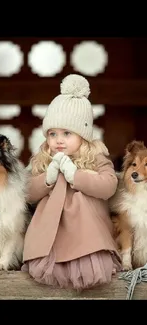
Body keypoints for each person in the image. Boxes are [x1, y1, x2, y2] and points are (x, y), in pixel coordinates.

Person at [22, 74, 121, 290]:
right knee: (51, 263)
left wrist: (75, 175)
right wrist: (47, 178)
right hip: (52, 236)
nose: (58, 140)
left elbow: (108, 186)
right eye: (52, 133)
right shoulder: (43, 159)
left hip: (85, 235)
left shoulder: (95, 156)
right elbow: (26, 193)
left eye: (67, 133)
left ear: (83, 134)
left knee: (84, 259)